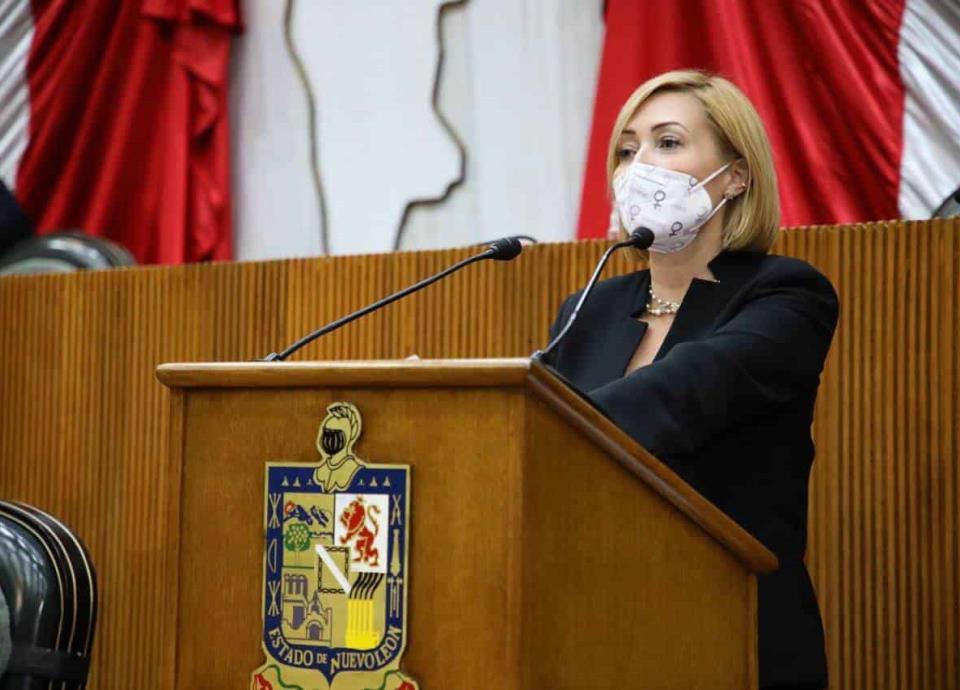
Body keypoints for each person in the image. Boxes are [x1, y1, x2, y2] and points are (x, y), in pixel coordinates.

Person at [547, 70, 838, 690]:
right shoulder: (588, 309)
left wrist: (530, 423)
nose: (639, 167)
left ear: (736, 176)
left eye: (668, 142)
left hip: (735, 634)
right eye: (627, 150)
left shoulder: (786, 294)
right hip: (597, 637)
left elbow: (683, 396)